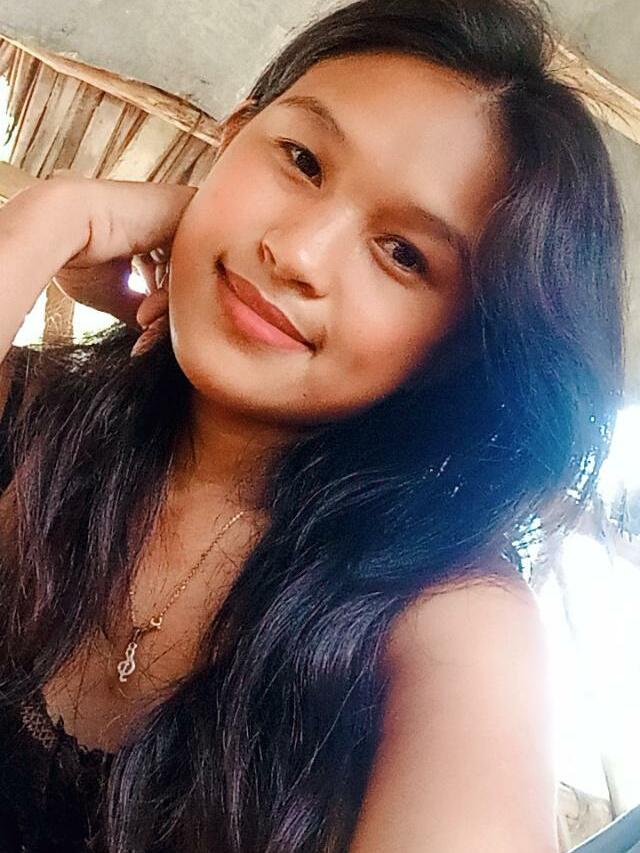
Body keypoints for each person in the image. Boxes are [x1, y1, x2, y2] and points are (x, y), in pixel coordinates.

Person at [0, 0, 626, 850]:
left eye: (404, 254)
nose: (297, 254)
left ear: (454, 351)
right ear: (232, 138)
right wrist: (46, 220)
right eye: (301, 160)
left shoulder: (448, 627)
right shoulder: (37, 415)